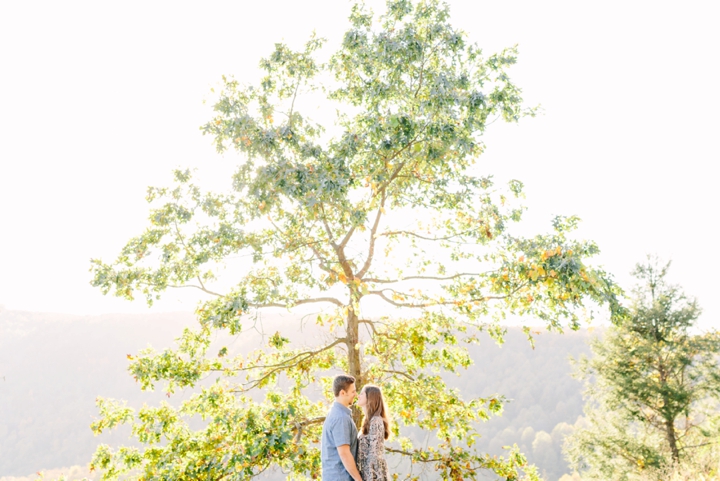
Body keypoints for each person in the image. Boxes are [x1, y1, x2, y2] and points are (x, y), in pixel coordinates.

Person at [322, 374, 362, 481]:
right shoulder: (341, 417)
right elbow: (344, 453)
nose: (355, 394)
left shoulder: (335, 413)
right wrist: (358, 479)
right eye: (353, 391)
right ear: (343, 393)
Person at [357, 385, 390, 481]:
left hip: (373, 476)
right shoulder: (369, 420)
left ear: (370, 398)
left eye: (362, 394)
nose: (358, 396)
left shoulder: (376, 421)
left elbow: (374, 456)